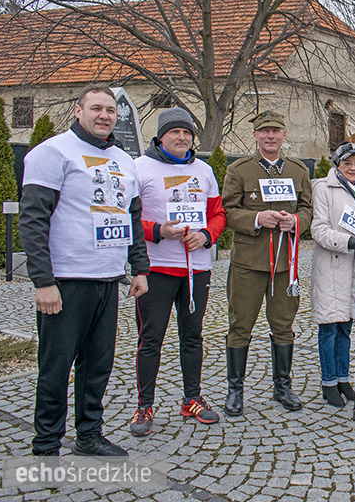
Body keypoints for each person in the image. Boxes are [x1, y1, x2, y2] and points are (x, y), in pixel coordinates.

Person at [19, 83, 149, 456]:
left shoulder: (124, 160)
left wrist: (139, 267)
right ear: (79, 111)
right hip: (66, 279)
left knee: (97, 366)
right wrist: (43, 281)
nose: (104, 115)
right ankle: (46, 444)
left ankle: (89, 434)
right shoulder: (52, 152)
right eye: (96, 108)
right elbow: (33, 220)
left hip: (108, 278)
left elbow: (133, 217)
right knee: (56, 367)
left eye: (110, 109)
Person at [128, 108, 227, 437]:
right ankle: (144, 405)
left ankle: (192, 399)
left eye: (187, 133)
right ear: (161, 136)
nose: (182, 138)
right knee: (151, 339)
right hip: (156, 268)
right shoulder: (140, 168)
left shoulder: (204, 170)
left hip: (196, 268)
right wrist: (157, 230)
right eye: (175, 132)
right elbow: (125, 218)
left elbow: (218, 214)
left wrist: (207, 236)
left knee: (192, 336)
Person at [222, 110, 313, 414]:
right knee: (240, 326)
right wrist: (257, 218)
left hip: (285, 264)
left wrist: (296, 222)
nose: (271, 136)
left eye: (276, 131)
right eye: (265, 131)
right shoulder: (240, 170)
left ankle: (282, 387)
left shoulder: (298, 171)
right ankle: (235, 391)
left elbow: (307, 209)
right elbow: (228, 211)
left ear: (284, 135)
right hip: (248, 262)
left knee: (284, 326)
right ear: (256, 136)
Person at [310, 141, 355, 407]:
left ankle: (343, 379)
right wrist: (349, 242)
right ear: (337, 165)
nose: (353, 168)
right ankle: (329, 382)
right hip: (331, 266)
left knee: (346, 328)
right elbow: (318, 230)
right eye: (347, 163)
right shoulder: (323, 188)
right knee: (329, 327)